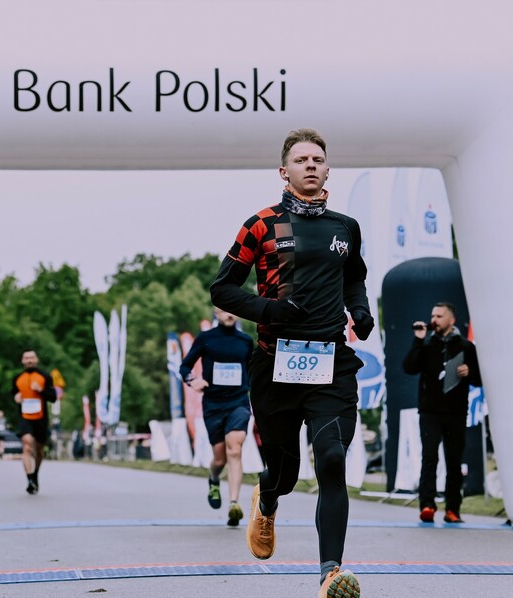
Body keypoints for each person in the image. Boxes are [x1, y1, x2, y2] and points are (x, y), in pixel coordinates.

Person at [211, 128, 371, 598]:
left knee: (333, 459)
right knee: (284, 471)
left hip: (331, 364)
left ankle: (330, 573)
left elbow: (354, 279)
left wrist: (360, 311)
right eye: (301, 160)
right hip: (275, 363)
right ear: (284, 171)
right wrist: (271, 310)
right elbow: (222, 289)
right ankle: (267, 500)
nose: (310, 165)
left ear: (327, 170)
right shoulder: (261, 224)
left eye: (317, 159)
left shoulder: (346, 227)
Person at [403, 302, 482, 524]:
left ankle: (453, 509)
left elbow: (479, 379)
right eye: (433, 315)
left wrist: (469, 372)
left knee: (454, 461)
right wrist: (418, 340)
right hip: (430, 412)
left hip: (456, 412)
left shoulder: (466, 347)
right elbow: (409, 367)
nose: (434, 320)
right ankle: (427, 505)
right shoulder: (427, 344)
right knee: (429, 458)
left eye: (439, 316)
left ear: (451, 320)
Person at [179, 307, 254, 526]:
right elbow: (185, 367)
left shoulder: (245, 341)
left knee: (235, 449)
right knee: (220, 458)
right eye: (224, 310)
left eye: (233, 310)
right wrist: (193, 380)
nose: (229, 314)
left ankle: (234, 504)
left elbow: (253, 370)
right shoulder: (206, 339)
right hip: (213, 404)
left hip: (238, 402)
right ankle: (214, 479)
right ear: (216, 312)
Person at [10, 350, 57, 494]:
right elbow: (13, 393)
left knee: (39, 449)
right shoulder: (18, 378)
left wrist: (41, 390)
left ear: (37, 360)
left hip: (41, 418)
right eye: (26, 358)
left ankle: (35, 473)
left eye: (31, 358)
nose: (29, 360)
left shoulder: (45, 376)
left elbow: (53, 397)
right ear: (22, 361)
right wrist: (16, 397)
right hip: (25, 417)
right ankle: (29, 479)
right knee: (27, 444)